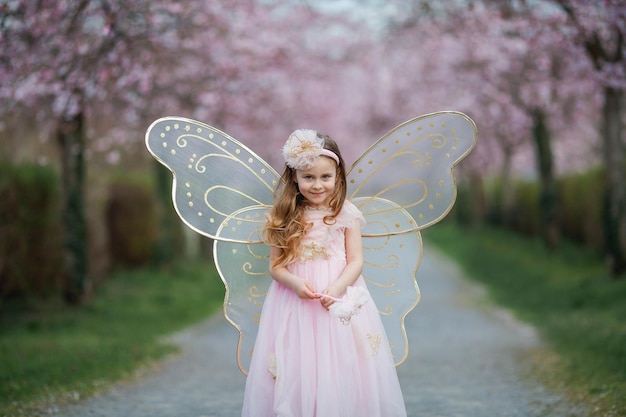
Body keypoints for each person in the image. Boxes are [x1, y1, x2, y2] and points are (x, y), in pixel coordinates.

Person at [241, 129, 407, 417]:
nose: (317, 185)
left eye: (325, 177)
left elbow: (355, 260)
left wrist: (338, 287)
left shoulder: (347, 213)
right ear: (294, 177)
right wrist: (293, 282)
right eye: (308, 177)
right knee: (298, 363)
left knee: (342, 362)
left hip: (337, 299)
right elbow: (275, 266)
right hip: (295, 303)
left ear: (338, 176)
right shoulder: (284, 215)